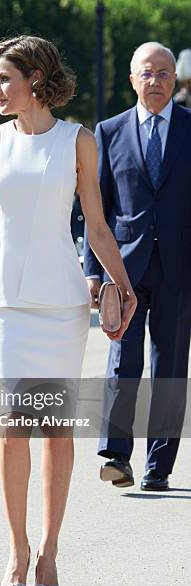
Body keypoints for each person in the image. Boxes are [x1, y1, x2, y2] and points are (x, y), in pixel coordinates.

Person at [0, 35, 136, 586]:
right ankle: (16, 548)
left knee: (56, 432)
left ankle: (50, 549)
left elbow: (96, 225)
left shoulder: (79, 141)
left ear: (35, 78)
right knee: (12, 430)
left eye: (4, 78)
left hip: (60, 303)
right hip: (5, 302)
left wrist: (123, 285)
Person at [84, 42, 191, 491]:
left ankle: (158, 467)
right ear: (132, 80)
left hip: (179, 269)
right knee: (122, 359)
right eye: (147, 74)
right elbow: (95, 207)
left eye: (164, 74)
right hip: (122, 268)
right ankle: (115, 453)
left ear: (175, 81)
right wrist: (93, 268)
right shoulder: (107, 132)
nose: (156, 82)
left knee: (169, 367)